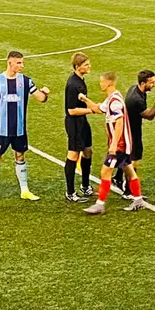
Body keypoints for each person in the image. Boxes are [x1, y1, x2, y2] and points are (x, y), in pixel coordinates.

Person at [0, 51, 50, 204]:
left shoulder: (26, 81)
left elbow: (40, 98)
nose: (22, 65)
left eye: (22, 62)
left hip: (19, 129)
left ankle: (25, 190)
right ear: (10, 63)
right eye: (19, 63)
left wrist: (45, 94)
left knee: (20, 156)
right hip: (2, 129)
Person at [80, 72, 146, 215]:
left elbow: (120, 122)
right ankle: (138, 200)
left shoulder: (115, 101)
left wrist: (114, 144)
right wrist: (85, 99)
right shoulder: (112, 98)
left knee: (106, 171)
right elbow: (99, 109)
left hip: (120, 144)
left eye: (102, 82)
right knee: (129, 170)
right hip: (122, 143)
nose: (100, 84)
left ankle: (100, 204)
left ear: (109, 82)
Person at [116, 69, 155, 195]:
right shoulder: (136, 99)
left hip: (128, 128)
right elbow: (149, 116)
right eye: (151, 82)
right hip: (131, 131)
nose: (154, 85)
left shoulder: (135, 89)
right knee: (133, 160)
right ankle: (128, 192)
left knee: (126, 156)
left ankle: (117, 177)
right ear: (143, 83)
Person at [63, 53, 96, 202]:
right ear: (77, 66)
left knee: (88, 151)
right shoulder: (72, 85)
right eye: (86, 64)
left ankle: (85, 186)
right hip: (74, 123)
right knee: (73, 155)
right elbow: (71, 110)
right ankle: (70, 193)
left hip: (82, 121)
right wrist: (91, 110)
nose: (89, 66)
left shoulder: (80, 80)